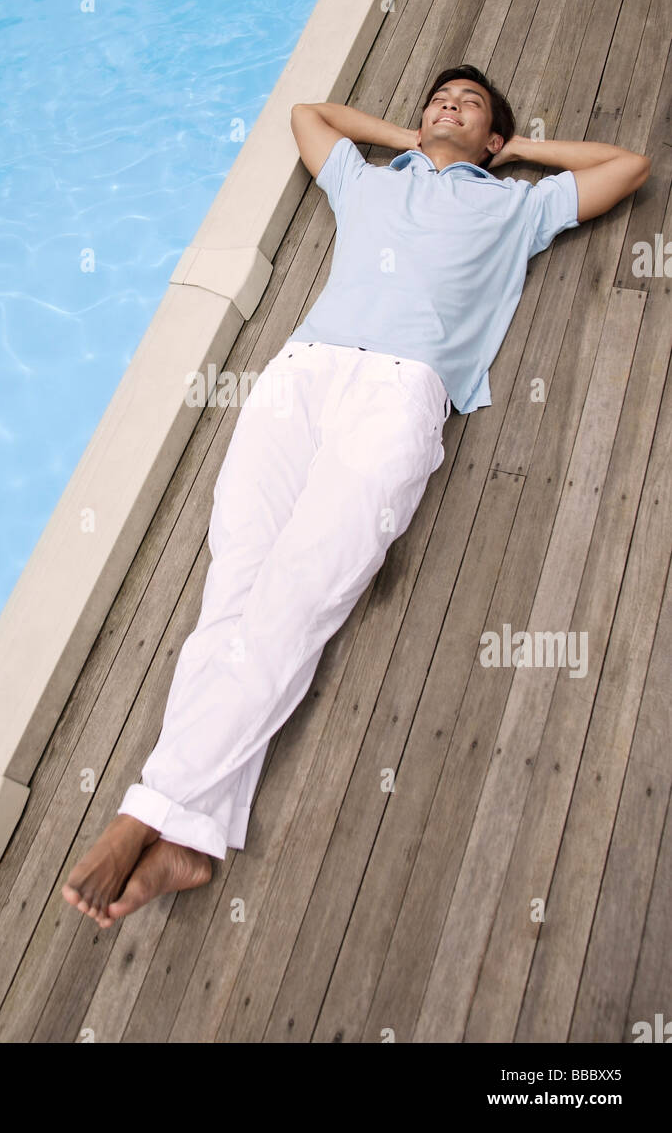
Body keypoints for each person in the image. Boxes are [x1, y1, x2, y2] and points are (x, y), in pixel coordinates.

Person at [62, 63, 650, 928]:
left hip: (403, 391)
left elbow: (628, 166)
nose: (446, 106)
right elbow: (308, 116)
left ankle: (147, 810)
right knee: (235, 593)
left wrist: (519, 152)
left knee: (300, 597)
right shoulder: (369, 181)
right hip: (302, 376)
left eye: (470, 104)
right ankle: (190, 838)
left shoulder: (516, 208)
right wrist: (407, 137)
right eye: (437, 99)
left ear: (495, 138)